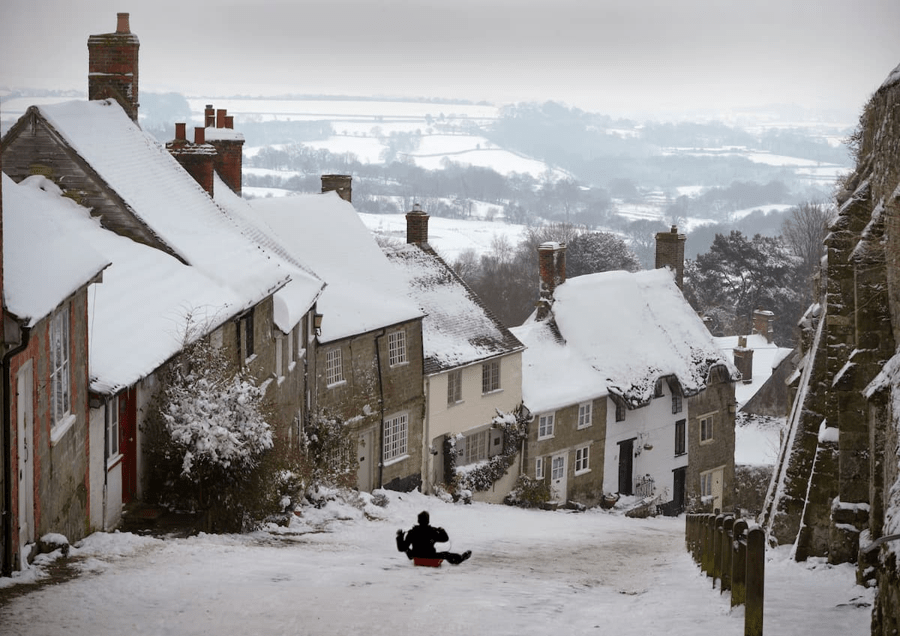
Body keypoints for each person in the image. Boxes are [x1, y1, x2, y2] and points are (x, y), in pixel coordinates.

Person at [396, 511, 471, 565]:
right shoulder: (432, 532)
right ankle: (459, 558)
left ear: (418, 520)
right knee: (446, 554)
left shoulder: (412, 532)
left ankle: (411, 555)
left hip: (416, 555)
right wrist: (442, 530)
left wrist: (400, 537)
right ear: (428, 521)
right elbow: (445, 539)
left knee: (407, 548)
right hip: (431, 556)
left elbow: (402, 548)